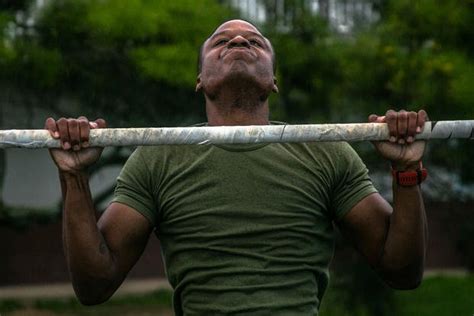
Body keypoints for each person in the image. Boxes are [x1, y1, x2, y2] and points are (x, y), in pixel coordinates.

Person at [45, 19, 429, 315]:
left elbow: (402, 271)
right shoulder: (158, 156)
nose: (240, 41)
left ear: (273, 81)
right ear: (200, 79)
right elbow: (94, 286)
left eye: (255, 42)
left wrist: (406, 173)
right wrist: (73, 177)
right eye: (221, 42)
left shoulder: (324, 150)